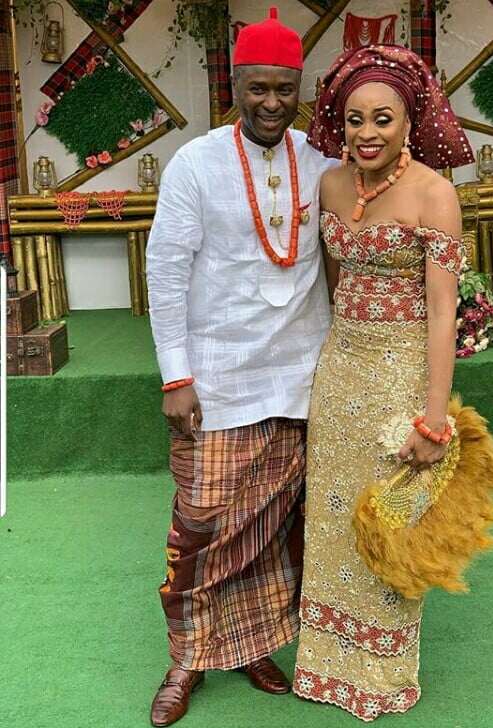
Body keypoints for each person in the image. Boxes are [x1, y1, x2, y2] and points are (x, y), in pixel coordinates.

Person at [145, 8, 333, 726]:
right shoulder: (196, 163)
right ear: (236, 85)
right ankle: (187, 659)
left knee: (274, 526)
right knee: (200, 526)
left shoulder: (321, 164)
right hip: (218, 382)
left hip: (297, 380)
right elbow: (166, 273)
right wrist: (176, 375)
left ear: (299, 88)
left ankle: (253, 643)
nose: (271, 103)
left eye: (284, 89)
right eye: (258, 88)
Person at [292, 45, 475, 721]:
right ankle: (324, 667)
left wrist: (432, 417)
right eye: (354, 119)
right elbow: (335, 286)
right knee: (333, 517)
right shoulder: (332, 187)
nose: (367, 133)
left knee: (389, 519)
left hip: (402, 380)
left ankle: (382, 673)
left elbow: (442, 310)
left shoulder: (435, 193)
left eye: (383, 120)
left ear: (410, 121)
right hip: (339, 378)